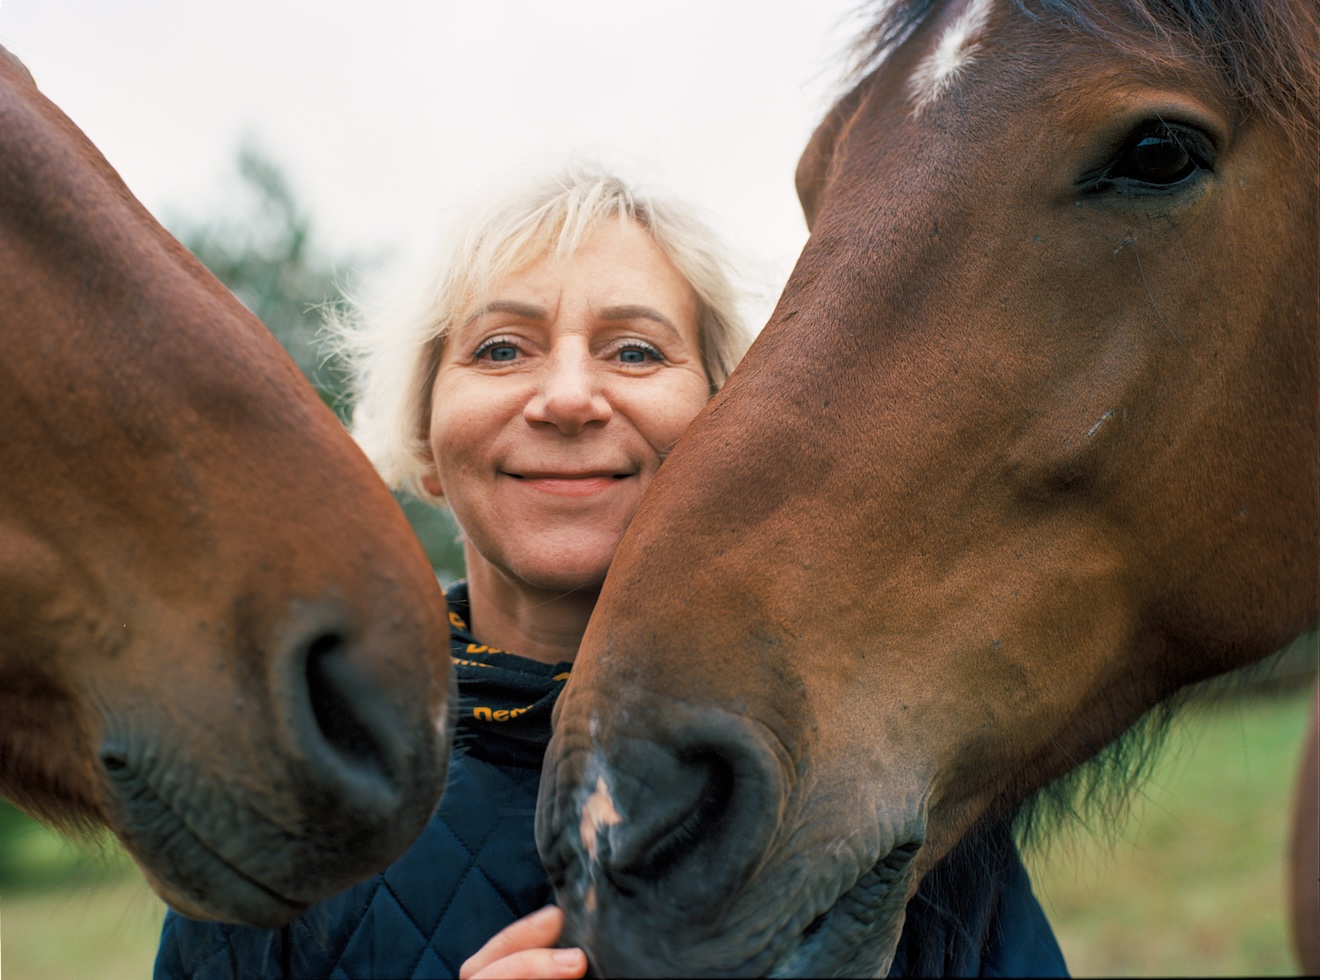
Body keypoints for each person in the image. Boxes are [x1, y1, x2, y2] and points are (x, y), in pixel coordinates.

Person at [154, 166, 1069, 979]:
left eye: (634, 350)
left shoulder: (876, 779)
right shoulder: (288, 808)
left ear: (726, 429)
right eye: (500, 349)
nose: (565, 398)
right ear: (426, 440)